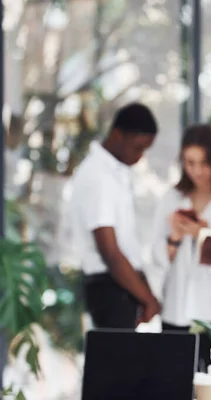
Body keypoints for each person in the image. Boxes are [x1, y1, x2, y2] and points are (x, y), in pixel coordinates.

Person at [151, 124, 211, 372]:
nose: (197, 171)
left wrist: (205, 235)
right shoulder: (172, 198)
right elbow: (156, 257)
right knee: (173, 381)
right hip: (176, 307)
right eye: (189, 162)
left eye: (204, 162)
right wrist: (175, 236)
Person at [70, 103, 161, 329]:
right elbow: (110, 252)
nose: (140, 157)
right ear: (118, 135)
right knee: (117, 363)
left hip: (120, 287)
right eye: (138, 148)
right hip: (110, 288)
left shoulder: (115, 172)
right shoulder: (98, 176)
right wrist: (148, 299)